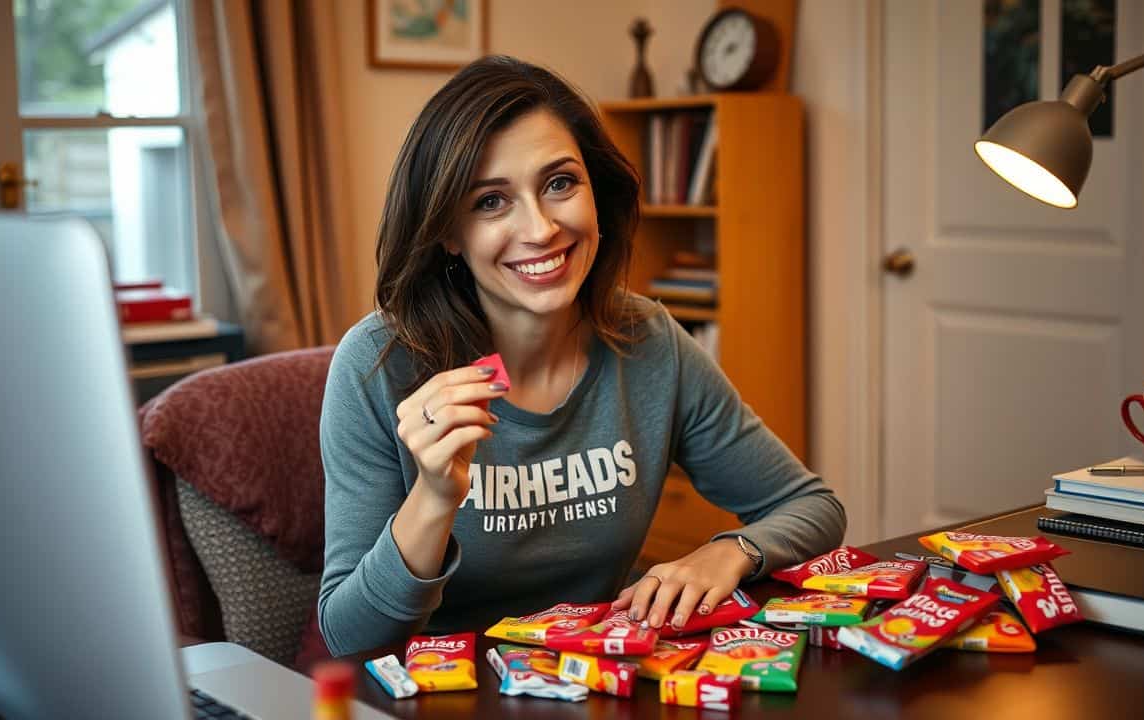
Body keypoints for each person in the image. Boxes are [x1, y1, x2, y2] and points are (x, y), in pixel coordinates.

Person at [318, 55, 845, 656]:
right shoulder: (377, 366)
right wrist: (434, 496)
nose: (541, 228)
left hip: (599, 679)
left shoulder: (650, 343)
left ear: (597, 193)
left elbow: (811, 506)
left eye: (559, 183)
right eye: (491, 201)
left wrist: (729, 552)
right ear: (448, 231)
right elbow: (348, 638)